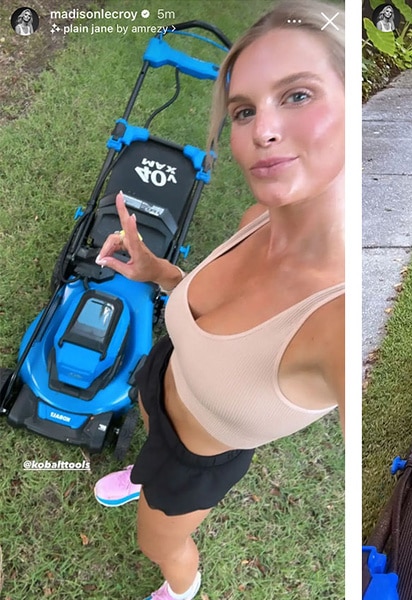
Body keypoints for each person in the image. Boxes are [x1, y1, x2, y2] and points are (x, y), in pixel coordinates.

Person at [92, 1, 344, 598]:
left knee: (156, 543)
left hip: (197, 461)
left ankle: (182, 589)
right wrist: (160, 272)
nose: (262, 130)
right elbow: (212, 321)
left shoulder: (336, 317)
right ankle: (142, 469)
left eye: (299, 95)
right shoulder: (259, 215)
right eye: (243, 110)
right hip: (165, 379)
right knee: (153, 417)